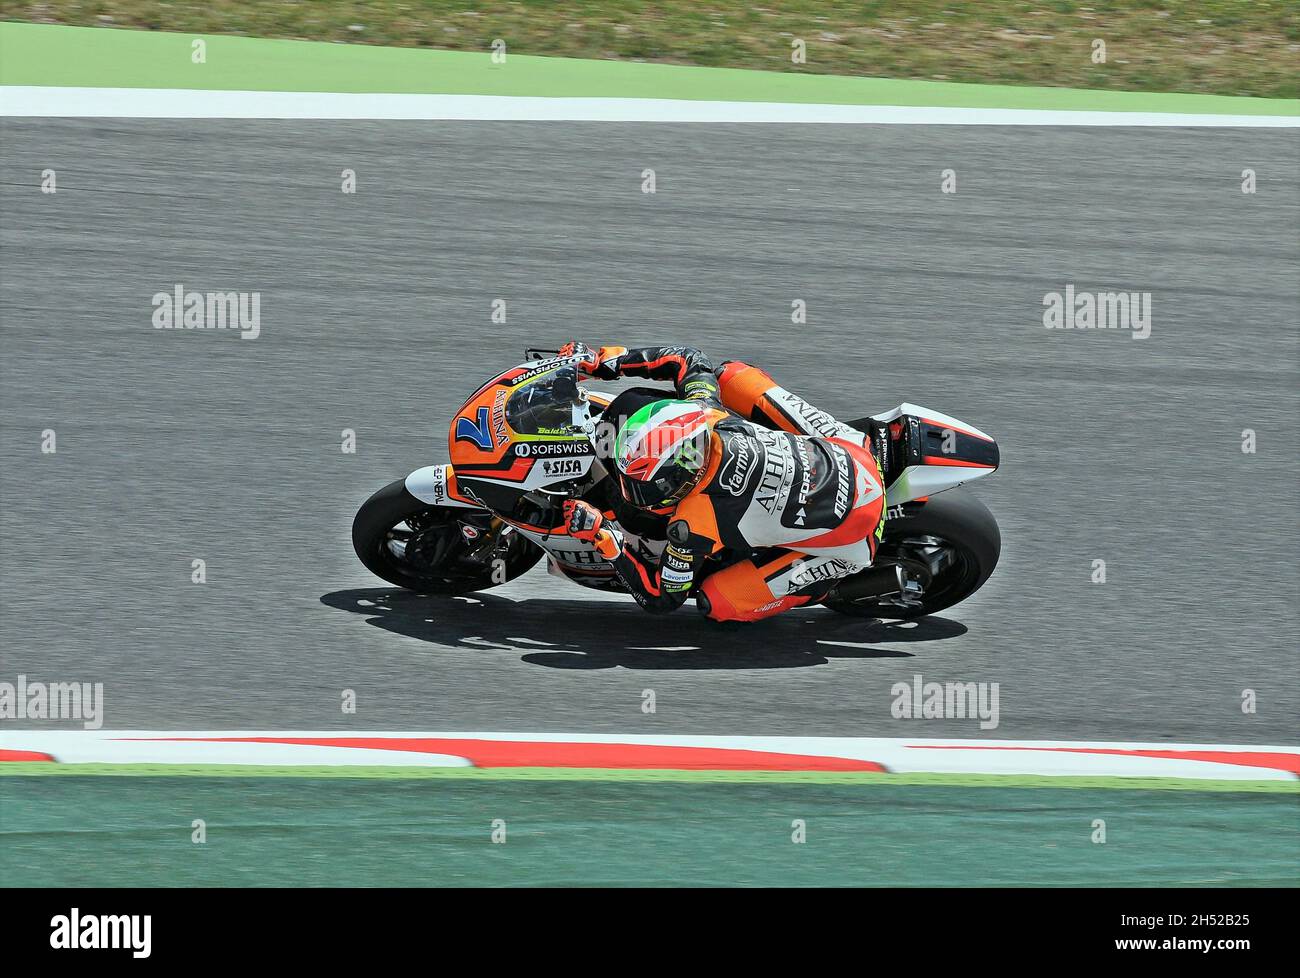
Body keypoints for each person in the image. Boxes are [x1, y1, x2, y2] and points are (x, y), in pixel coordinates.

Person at [557, 343, 886, 621]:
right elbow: (686, 358)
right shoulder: (705, 410)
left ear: (679, 477)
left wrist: (603, 535)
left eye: (649, 486)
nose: (637, 495)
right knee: (730, 374)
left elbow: (660, 599)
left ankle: (824, 585)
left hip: (856, 535)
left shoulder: (696, 523)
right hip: (853, 449)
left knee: (717, 602)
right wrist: (604, 361)